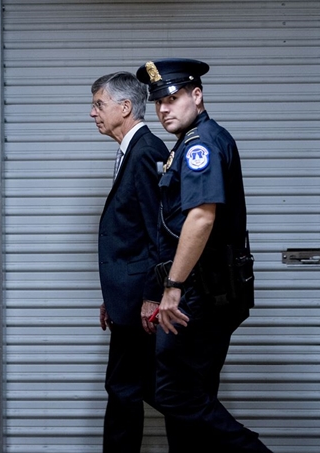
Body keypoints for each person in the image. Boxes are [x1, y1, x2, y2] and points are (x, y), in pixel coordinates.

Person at [136, 59, 274, 453]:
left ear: (197, 96)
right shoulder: (193, 140)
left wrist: (173, 287)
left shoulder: (202, 144)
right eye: (158, 101)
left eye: (174, 98)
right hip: (207, 289)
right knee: (190, 395)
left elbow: (200, 217)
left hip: (201, 292)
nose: (164, 108)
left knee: (177, 395)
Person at [90, 71, 171, 453]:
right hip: (130, 298)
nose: (93, 113)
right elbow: (133, 236)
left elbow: (160, 234)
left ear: (125, 108)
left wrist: (152, 296)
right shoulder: (133, 151)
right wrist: (115, 295)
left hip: (143, 301)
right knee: (141, 388)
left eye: (99, 104)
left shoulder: (145, 153)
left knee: (128, 389)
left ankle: (222, 437)